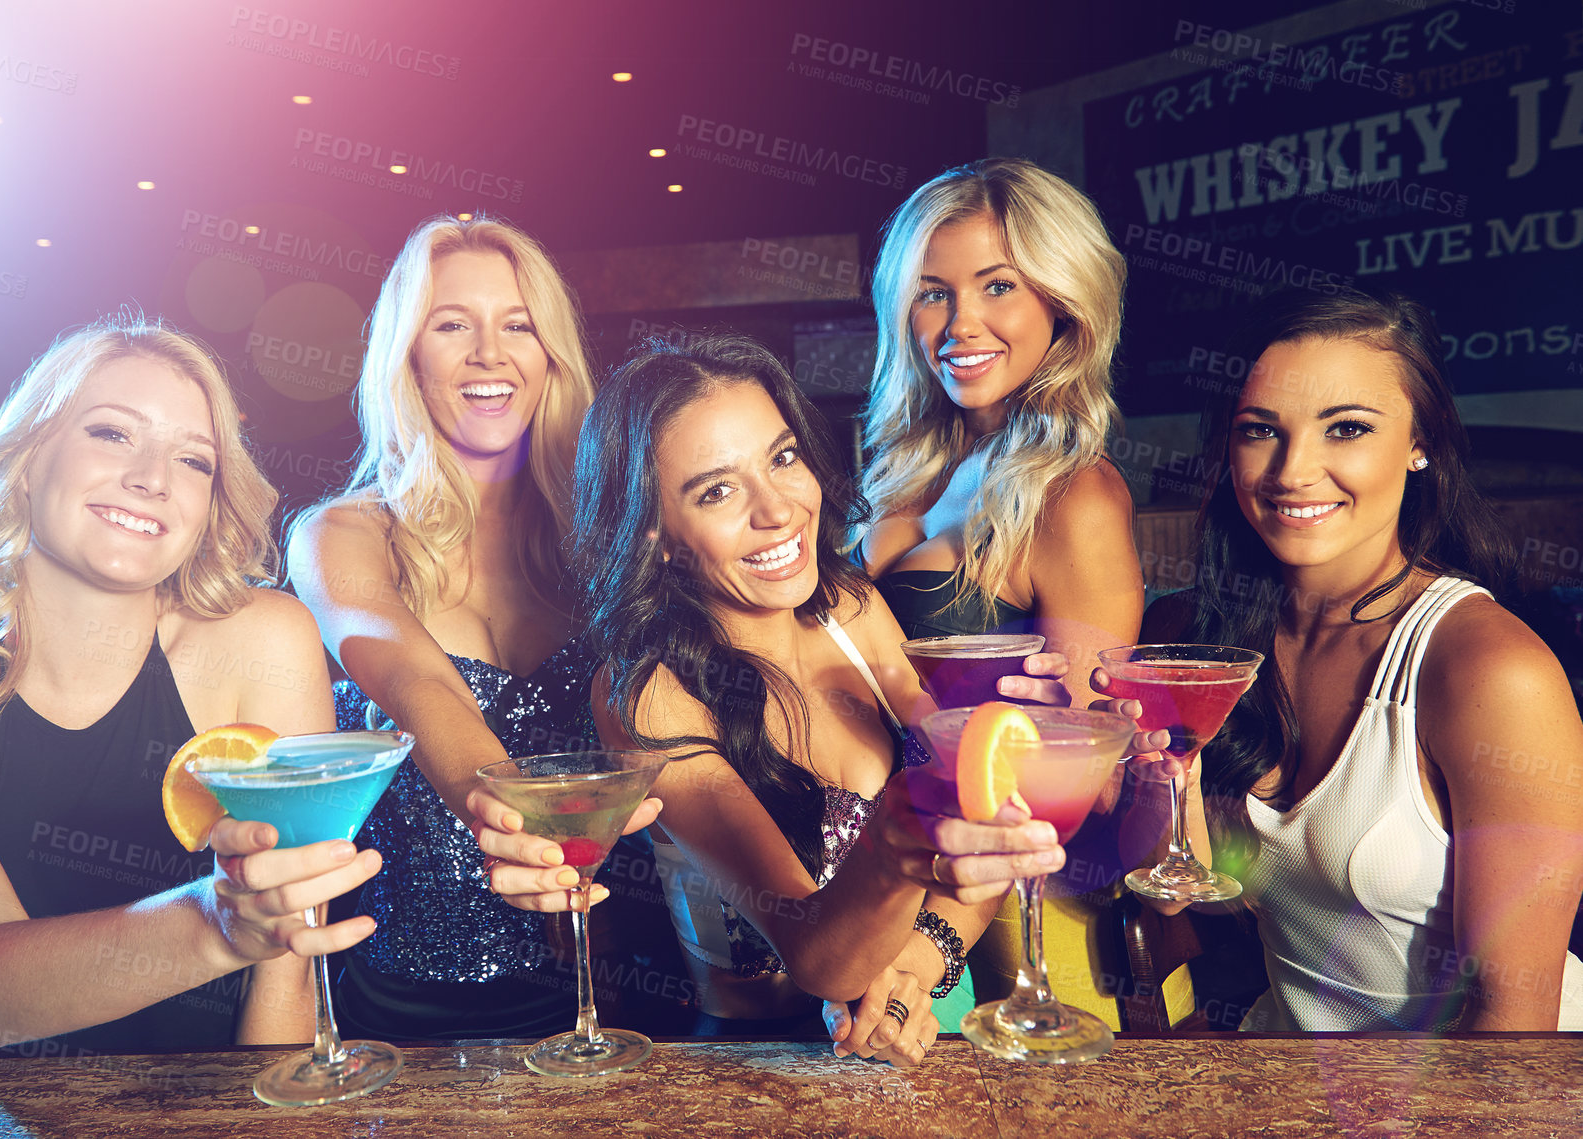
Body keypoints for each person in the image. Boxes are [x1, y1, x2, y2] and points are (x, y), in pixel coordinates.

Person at [472, 334, 1074, 1065]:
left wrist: (916, 964)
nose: (780, 509)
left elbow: (983, 820)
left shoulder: (849, 608)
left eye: (783, 457)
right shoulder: (649, 695)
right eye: (717, 490)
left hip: (929, 1023)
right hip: (759, 1065)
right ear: (657, 534)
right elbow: (819, 955)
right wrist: (901, 841)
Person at [0, 317, 374, 1056]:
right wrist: (216, 924)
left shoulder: (263, 639)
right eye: (112, 433)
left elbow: (289, 970)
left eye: (193, 460)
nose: (153, 477)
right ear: (25, 459)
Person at [1117, 287, 1583, 1031]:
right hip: (1296, 1080)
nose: (1294, 470)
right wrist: (1155, 771)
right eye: (1261, 429)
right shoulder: (1194, 635)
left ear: (1420, 442)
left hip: (1484, 1094)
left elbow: (1513, 1018)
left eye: (1347, 428)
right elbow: (1172, 891)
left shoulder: (1489, 671)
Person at [288, 214, 639, 1041]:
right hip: (400, 1006)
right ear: (409, 354)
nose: (490, 354)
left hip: (612, 985)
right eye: (452, 326)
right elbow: (417, 681)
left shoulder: (608, 533)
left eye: (518, 325)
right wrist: (510, 818)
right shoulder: (341, 535)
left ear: (550, 350)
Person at [856, 157, 1144, 1025]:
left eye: (998, 287)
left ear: (1064, 303)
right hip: (881, 876)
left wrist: (1066, 724)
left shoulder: (1075, 493)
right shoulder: (903, 465)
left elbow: (1095, 783)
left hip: (1015, 939)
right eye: (932, 291)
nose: (959, 323)